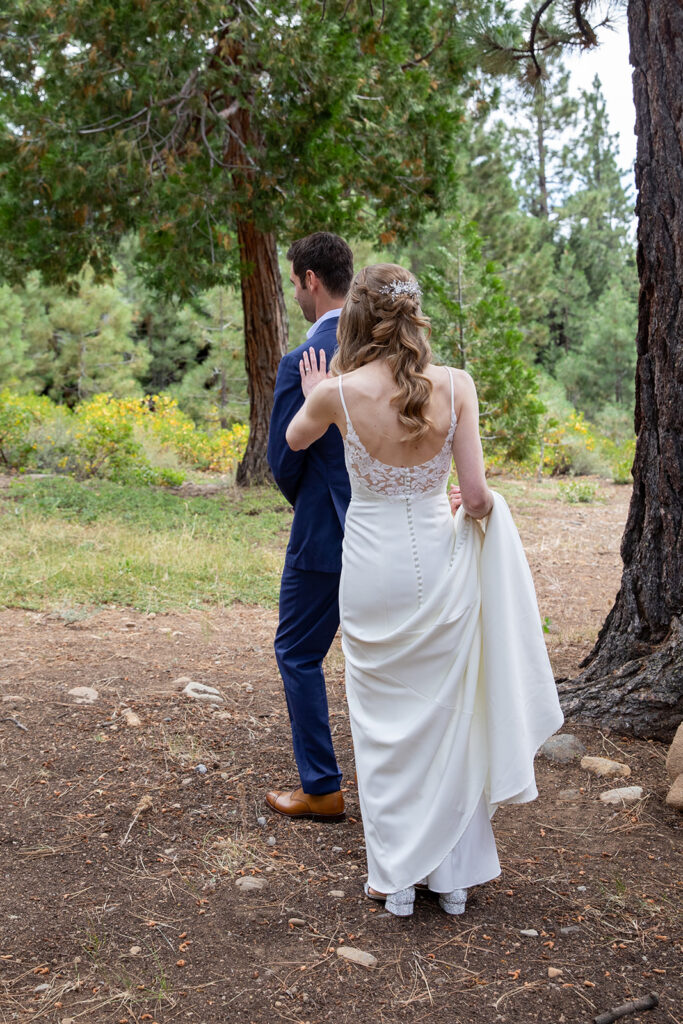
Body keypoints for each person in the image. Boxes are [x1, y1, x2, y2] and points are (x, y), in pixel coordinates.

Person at [285, 263, 563, 916]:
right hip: (436, 562)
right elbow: (473, 498)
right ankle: (452, 878)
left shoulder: (336, 395)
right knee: (447, 718)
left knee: (382, 728)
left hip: (371, 568)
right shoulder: (456, 386)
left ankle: (396, 881)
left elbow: (296, 441)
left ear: (356, 320)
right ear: (414, 318)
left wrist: (318, 390)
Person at [266, 232, 354, 822]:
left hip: (327, 534)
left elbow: (282, 461)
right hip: (402, 531)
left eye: (293, 281)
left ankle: (321, 786)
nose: (293, 291)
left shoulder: (306, 362)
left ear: (309, 280)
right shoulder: (390, 348)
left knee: (297, 651)